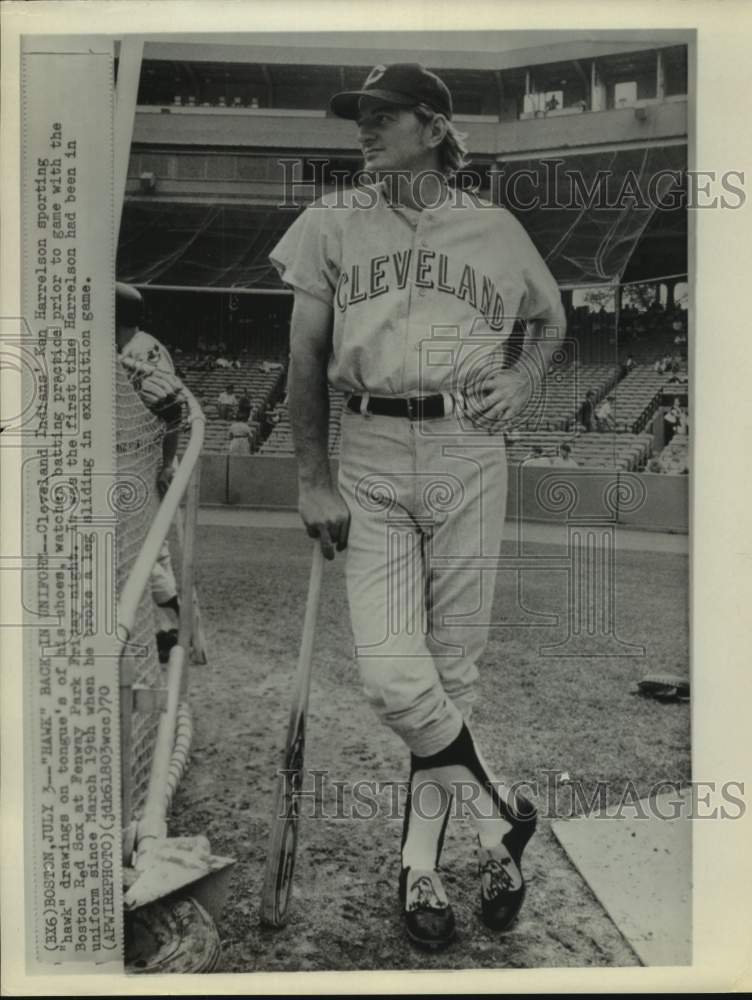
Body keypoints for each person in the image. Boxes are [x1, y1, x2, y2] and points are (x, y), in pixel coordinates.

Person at [270, 63, 565, 951]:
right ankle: (500, 817)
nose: (363, 128)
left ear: (434, 126)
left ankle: (421, 865)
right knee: (398, 678)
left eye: (382, 115)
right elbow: (304, 358)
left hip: (470, 450)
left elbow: (550, 320)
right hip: (364, 452)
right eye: (359, 115)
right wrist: (312, 476)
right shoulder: (330, 221)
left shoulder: (496, 226)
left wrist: (523, 379)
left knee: (453, 673)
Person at [115, 283, 185, 662]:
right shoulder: (137, 346)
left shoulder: (141, 352)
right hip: (143, 459)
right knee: (153, 550)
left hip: (144, 461)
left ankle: (170, 628)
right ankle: (170, 628)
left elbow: (171, 413)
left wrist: (166, 463)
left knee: (144, 550)